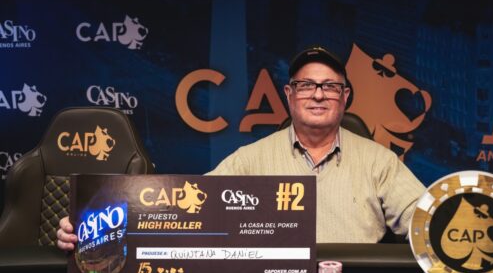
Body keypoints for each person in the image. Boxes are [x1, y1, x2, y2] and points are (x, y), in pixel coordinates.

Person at [56, 46, 425, 250]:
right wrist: (93, 224)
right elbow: (184, 205)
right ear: (289, 95)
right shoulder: (250, 159)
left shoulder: (380, 161)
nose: (318, 95)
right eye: (305, 86)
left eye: (330, 87)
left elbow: (425, 221)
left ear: (344, 97)